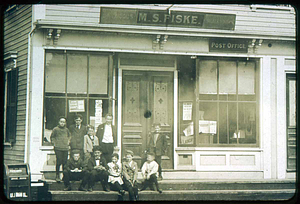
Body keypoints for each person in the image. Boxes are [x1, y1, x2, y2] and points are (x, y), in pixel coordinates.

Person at [50, 116, 71, 183]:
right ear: (59, 122)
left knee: (65, 162)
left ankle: (64, 176)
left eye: (63, 122)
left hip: (65, 148)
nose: (62, 123)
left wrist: (68, 142)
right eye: (61, 122)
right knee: (59, 161)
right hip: (58, 148)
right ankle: (57, 176)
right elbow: (52, 137)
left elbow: (69, 136)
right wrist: (54, 143)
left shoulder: (66, 130)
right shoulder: (55, 129)